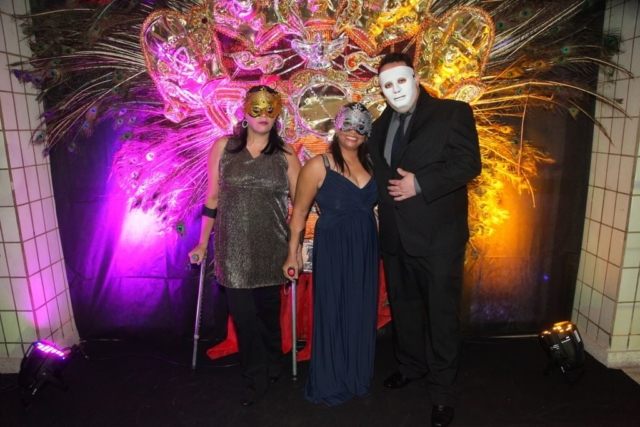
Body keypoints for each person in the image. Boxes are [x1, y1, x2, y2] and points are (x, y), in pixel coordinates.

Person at [368, 53, 481, 427]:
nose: (395, 89)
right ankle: (411, 366)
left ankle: (444, 393)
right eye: (387, 85)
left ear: (416, 78)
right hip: (396, 237)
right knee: (404, 309)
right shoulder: (379, 126)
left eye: (401, 80)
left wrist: (420, 184)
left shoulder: (452, 113)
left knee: (442, 317)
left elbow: (469, 164)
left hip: (438, 238)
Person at [189, 85, 301, 407]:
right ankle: (254, 378)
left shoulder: (286, 153)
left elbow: (300, 205)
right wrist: (202, 243)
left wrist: (294, 249)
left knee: (268, 315)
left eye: (270, 109)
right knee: (244, 319)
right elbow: (212, 198)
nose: (263, 115)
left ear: (277, 113)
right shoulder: (224, 147)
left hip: (271, 248)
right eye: (256, 108)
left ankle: (274, 361)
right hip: (232, 250)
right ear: (244, 111)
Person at [283, 103, 379, 406]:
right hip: (333, 246)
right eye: (347, 124)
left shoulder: (373, 165)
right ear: (336, 127)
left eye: (360, 126)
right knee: (333, 309)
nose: (353, 132)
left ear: (368, 132)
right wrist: (292, 254)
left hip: (365, 246)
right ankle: (330, 378)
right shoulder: (317, 165)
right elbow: (299, 214)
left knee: (361, 309)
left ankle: (356, 375)